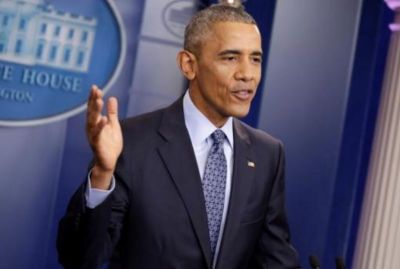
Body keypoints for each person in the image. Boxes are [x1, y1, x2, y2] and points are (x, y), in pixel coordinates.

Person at [57, 4, 301, 269]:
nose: (247, 74)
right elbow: (80, 258)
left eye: (255, 59)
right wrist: (103, 173)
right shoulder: (132, 142)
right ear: (188, 65)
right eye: (230, 58)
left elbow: (276, 260)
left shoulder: (267, 154)